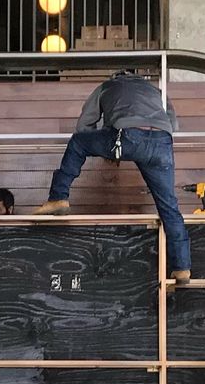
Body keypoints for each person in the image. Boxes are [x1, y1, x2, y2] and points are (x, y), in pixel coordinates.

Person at [36, 71, 190, 282]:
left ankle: (58, 198)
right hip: (162, 143)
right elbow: (173, 123)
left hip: (127, 136)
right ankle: (182, 267)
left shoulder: (107, 86)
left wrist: (108, 146)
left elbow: (84, 127)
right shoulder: (155, 90)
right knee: (169, 206)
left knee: (78, 143)